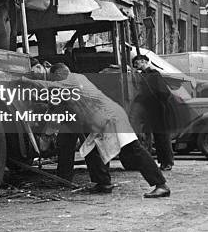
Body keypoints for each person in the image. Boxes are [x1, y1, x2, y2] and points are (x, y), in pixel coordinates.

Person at [47, 63, 170, 198]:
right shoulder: (77, 79)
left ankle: (161, 185)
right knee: (91, 149)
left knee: (133, 150)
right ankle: (103, 182)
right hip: (102, 119)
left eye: (53, 78)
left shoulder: (70, 83)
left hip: (111, 119)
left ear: (58, 74)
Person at [132, 54, 174, 171]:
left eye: (137, 63)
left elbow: (164, 92)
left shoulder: (154, 74)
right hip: (153, 110)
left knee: (163, 136)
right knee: (158, 136)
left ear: (143, 61)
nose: (136, 66)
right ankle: (163, 162)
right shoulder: (144, 76)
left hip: (160, 109)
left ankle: (167, 161)